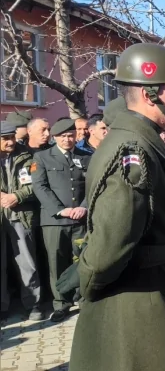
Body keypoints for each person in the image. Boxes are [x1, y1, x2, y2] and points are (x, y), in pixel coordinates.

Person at [70, 43, 165, 371]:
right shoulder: (132, 149)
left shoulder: (149, 142)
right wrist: (87, 280)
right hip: (139, 299)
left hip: (160, 287)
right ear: (149, 94)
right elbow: (110, 246)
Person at [31, 118, 91, 321]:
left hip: (80, 219)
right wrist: (60, 210)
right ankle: (61, 303)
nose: (67, 139)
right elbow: (40, 187)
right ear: (55, 137)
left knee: (83, 258)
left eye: (71, 135)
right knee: (57, 262)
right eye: (63, 136)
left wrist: (84, 207)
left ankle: (84, 298)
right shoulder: (42, 157)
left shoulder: (86, 157)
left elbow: (93, 185)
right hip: (54, 220)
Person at [0, 121, 44, 322]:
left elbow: (37, 183)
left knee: (27, 262)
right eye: (4, 139)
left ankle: (33, 304)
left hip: (20, 214)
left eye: (11, 137)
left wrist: (17, 196)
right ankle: (3, 306)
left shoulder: (28, 156)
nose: (9, 142)